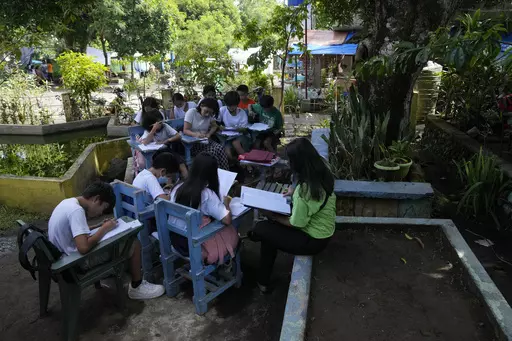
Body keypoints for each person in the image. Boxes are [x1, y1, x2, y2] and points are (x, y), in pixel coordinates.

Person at [48, 182, 165, 299]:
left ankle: (125, 275)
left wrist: (98, 226)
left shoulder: (68, 203)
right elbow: (83, 248)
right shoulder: (76, 211)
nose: (100, 213)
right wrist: (104, 229)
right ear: (96, 199)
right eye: (102, 208)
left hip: (64, 258)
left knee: (121, 241)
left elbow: (74, 231)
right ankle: (137, 286)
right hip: (75, 263)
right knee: (134, 244)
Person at [247, 138, 336, 293]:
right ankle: (262, 280)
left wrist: (272, 215)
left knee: (262, 228)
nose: (288, 164)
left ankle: (255, 239)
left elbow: (296, 223)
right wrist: (293, 192)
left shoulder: (304, 191)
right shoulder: (321, 169)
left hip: (312, 240)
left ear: (298, 163)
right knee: (269, 235)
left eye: (290, 161)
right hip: (324, 231)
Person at [169, 153, 238, 264]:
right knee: (233, 232)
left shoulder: (178, 187)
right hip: (193, 245)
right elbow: (227, 220)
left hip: (176, 240)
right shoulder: (206, 194)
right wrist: (226, 203)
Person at [183, 98, 229, 170]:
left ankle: (226, 174)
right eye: (206, 111)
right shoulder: (192, 112)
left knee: (220, 149)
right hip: (193, 143)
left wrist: (209, 134)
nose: (208, 115)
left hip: (205, 141)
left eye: (211, 113)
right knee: (213, 153)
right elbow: (185, 130)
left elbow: (215, 126)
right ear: (201, 106)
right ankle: (217, 176)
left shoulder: (210, 115)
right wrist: (196, 134)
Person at [217, 91, 251, 162]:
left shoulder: (242, 112)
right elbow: (216, 122)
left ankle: (248, 164)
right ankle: (239, 164)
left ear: (237, 104)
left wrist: (236, 129)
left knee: (236, 144)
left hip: (240, 135)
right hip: (227, 136)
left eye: (233, 105)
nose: (231, 107)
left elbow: (244, 129)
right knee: (228, 153)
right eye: (229, 105)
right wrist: (219, 126)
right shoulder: (222, 110)